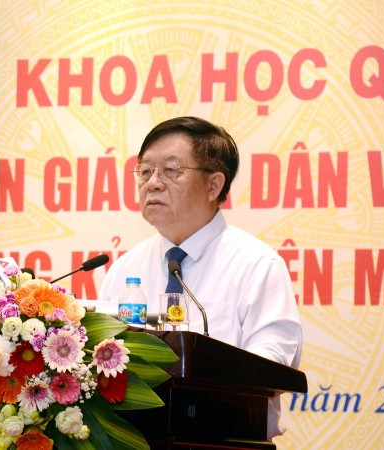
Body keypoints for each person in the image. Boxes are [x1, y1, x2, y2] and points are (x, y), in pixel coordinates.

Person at [97, 116, 302, 440]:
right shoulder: (126, 269)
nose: (153, 183)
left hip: (225, 439)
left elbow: (272, 361)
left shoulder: (257, 265)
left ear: (213, 185)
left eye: (171, 170)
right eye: (145, 171)